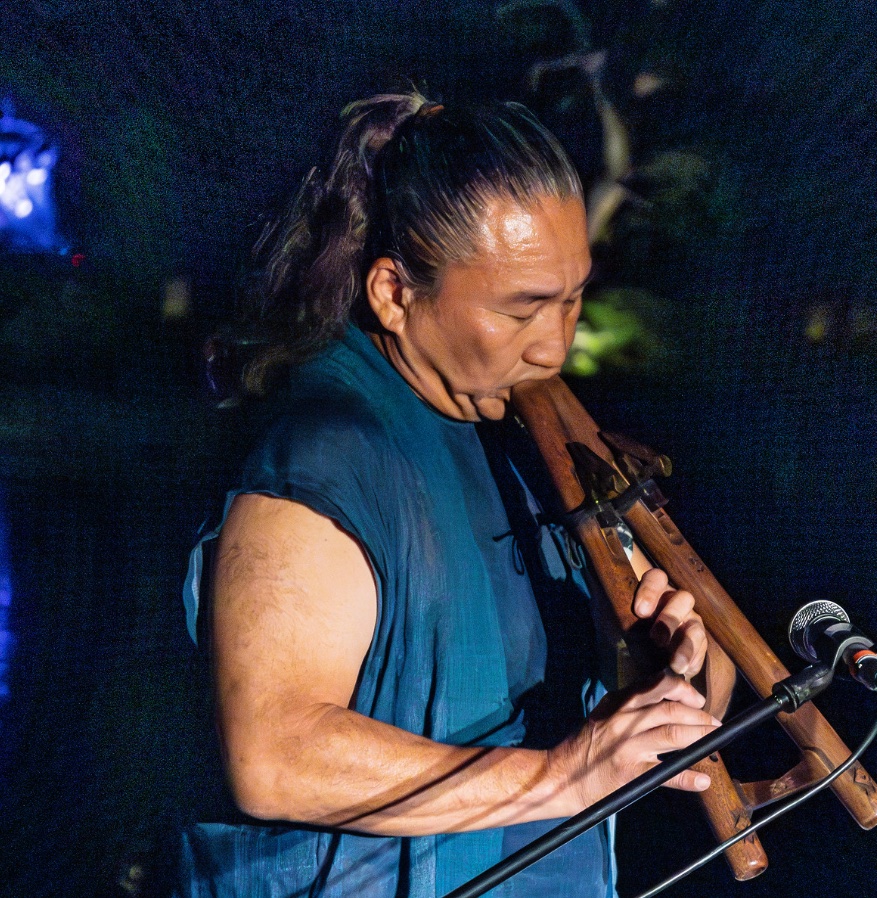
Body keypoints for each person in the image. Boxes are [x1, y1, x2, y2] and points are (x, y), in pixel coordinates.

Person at [177, 92, 719, 898]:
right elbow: (275, 755)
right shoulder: (329, 451)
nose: (556, 343)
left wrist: (649, 665)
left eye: (571, 299)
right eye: (521, 309)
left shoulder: (518, 443)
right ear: (394, 294)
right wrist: (563, 777)